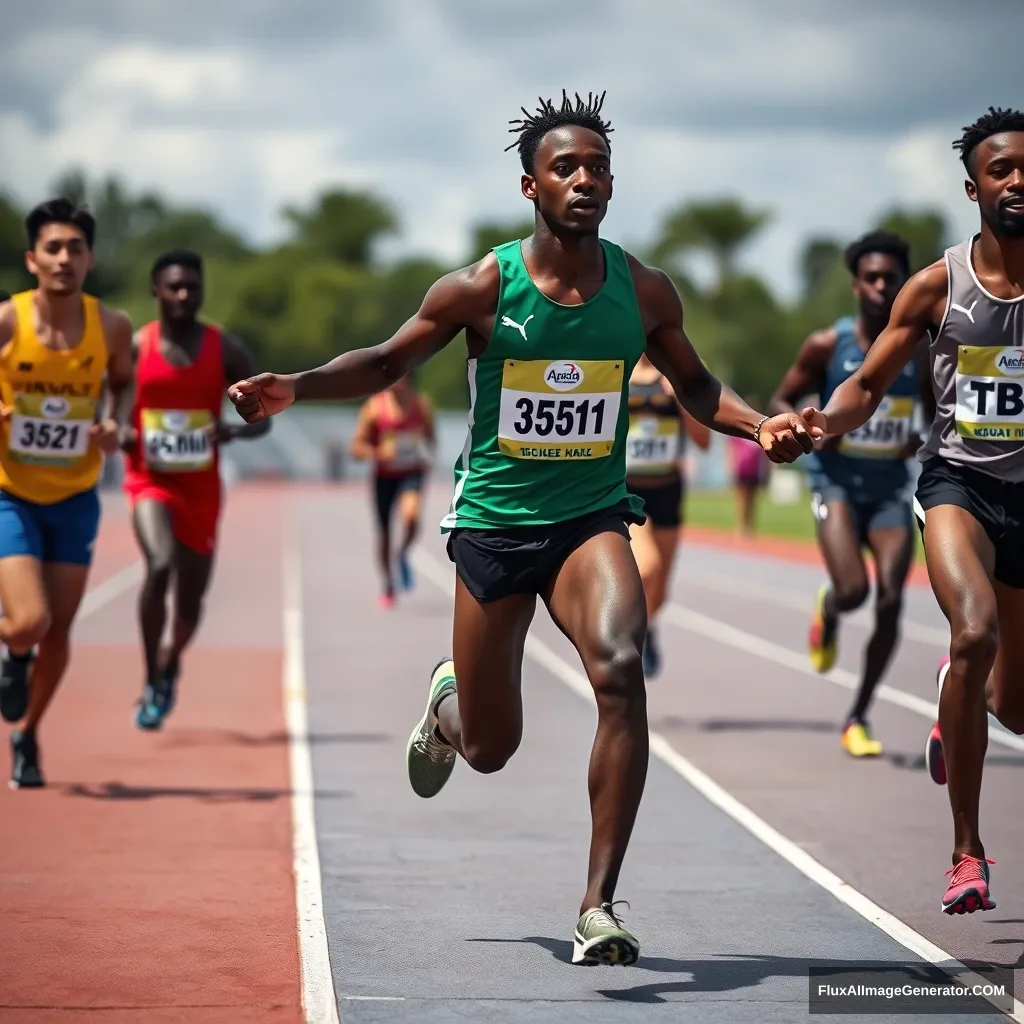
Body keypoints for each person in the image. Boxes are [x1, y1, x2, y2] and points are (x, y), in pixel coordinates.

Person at [228, 90, 815, 964]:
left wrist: (757, 422)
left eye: (599, 167)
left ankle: (598, 906)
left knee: (621, 669)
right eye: (566, 167)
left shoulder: (643, 288)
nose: (586, 180)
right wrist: (297, 385)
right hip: (495, 525)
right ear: (529, 186)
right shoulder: (481, 287)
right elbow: (389, 360)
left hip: (589, 519)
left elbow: (694, 385)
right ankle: (448, 707)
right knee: (493, 747)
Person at [801, 107, 1024, 915]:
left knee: (1015, 707)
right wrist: (819, 423)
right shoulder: (939, 285)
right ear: (974, 188)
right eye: (1001, 170)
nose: (1018, 181)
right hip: (959, 484)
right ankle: (967, 853)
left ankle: (955, 693)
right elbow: (867, 382)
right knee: (973, 634)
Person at [769, 231, 929, 758]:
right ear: (856, 285)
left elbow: (936, 411)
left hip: (889, 491)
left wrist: (918, 438)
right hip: (836, 484)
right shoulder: (825, 345)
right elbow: (783, 396)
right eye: (873, 278)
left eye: (892, 278)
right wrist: (797, 423)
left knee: (889, 599)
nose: (883, 287)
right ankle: (832, 606)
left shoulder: (918, 347)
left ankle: (858, 714)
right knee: (856, 591)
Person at [0, 198, 133, 787]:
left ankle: (27, 735)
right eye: (52, 248)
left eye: (75, 248)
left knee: (58, 633)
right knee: (28, 622)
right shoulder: (7, 321)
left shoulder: (112, 326)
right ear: (32, 259)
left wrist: (115, 424)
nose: (64, 258)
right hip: (12, 494)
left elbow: (124, 387)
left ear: (90, 259)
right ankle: (14, 655)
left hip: (76, 498)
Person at [120, 250, 269, 730]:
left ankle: (170, 661)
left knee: (189, 603)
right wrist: (120, 429)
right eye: (173, 286)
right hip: (150, 479)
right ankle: (149, 679)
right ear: (155, 292)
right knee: (159, 565)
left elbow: (262, 418)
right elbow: (113, 403)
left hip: (202, 488)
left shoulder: (225, 349)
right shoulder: (135, 349)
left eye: (191, 286)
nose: (183, 294)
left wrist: (233, 431)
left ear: (201, 290)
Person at [625, 352, 710, 677]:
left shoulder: (677, 373)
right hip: (628, 490)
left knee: (660, 589)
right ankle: (626, 644)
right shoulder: (619, 367)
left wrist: (683, 398)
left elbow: (703, 441)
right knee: (647, 569)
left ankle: (647, 628)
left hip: (668, 490)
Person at [349, 373, 435, 607]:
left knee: (411, 516)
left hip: (411, 472)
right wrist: (377, 453)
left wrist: (427, 456)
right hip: (384, 477)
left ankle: (403, 552)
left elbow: (431, 439)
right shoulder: (375, 408)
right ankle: (388, 583)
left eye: (404, 375)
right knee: (385, 533)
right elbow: (356, 448)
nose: (399, 381)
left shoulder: (421, 405)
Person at [727, 403, 769, 536]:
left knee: (753, 500)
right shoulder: (738, 431)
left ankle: (750, 527)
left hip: (754, 470)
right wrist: (731, 466)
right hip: (741, 469)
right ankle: (741, 526)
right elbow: (731, 450)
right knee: (741, 499)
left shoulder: (761, 432)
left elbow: (764, 454)